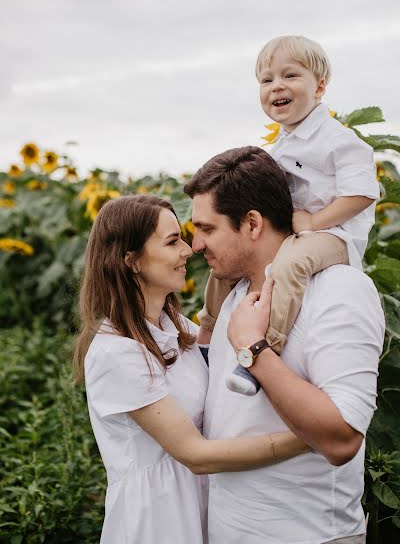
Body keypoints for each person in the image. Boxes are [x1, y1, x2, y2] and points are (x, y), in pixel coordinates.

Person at [72, 194, 308, 544]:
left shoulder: (173, 326)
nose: (188, 249)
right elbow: (195, 454)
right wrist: (310, 437)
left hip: (201, 504)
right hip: (158, 521)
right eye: (172, 242)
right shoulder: (116, 353)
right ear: (131, 260)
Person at [184, 146, 385, 544]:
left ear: (252, 223)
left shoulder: (338, 290)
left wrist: (255, 351)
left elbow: (343, 438)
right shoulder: (236, 292)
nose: (196, 245)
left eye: (207, 229)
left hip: (308, 535)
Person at [196, 35, 380, 396]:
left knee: (288, 268)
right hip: (296, 233)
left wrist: (315, 222)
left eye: (290, 76)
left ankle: (265, 349)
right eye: (267, 80)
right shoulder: (281, 145)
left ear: (320, 87)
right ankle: (207, 333)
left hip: (334, 236)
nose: (277, 86)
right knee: (225, 264)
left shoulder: (340, 140)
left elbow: (361, 193)